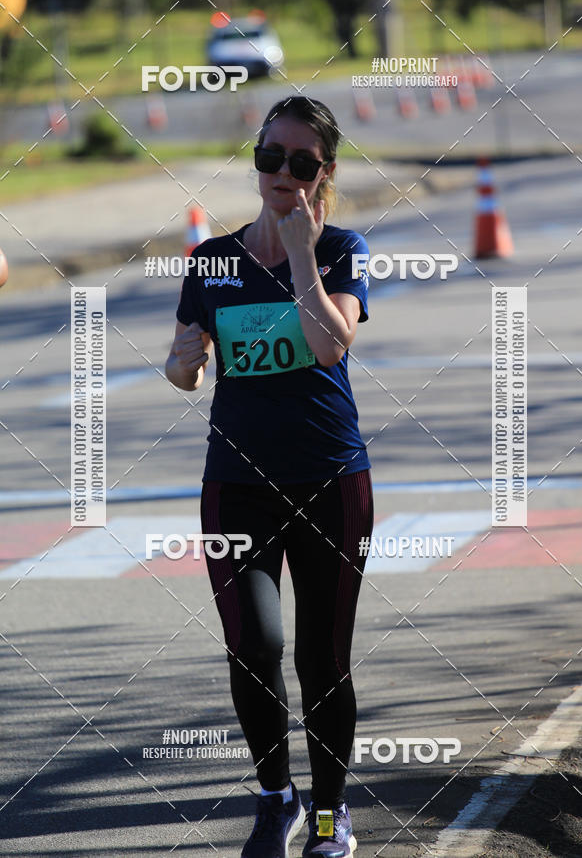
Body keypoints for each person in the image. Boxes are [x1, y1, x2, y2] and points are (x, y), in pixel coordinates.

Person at [166, 96, 373, 858]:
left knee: (323, 657)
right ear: (255, 161)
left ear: (323, 175)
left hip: (330, 479)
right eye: (269, 157)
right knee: (254, 644)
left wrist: (299, 258)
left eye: (301, 162)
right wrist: (179, 367)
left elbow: (329, 344)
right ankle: (273, 796)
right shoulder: (211, 261)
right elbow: (184, 361)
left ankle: (329, 814)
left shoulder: (343, 247)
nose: (281, 173)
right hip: (237, 483)